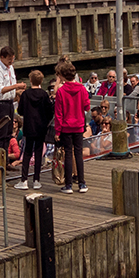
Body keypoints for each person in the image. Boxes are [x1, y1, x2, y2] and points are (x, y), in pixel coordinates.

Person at [54, 61, 90, 194]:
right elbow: (87, 106)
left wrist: (57, 131)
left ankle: (68, 184)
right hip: (79, 125)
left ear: (62, 76)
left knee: (68, 154)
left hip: (66, 126)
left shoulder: (61, 91)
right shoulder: (82, 88)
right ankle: (82, 183)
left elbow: (58, 114)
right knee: (78, 154)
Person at [16, 70, 54, 190]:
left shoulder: (25, 94)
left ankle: (24, 180)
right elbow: (50, 111)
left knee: (27, 152)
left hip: (29, 126)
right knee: (38, 153)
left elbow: (20, 111)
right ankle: (36, 180)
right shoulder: (44, 94)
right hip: (41, 126)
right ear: (41, 81)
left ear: (30, 80)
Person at [0, 46, 26, 152]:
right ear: (2, 57)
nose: (11, 61)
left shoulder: (11, 68)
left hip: (10, 102)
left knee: (8, 134)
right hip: (1, 104)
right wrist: (16, 86)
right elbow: (0, 89)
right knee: (1, 133)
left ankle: (5, 161)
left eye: (12, 58)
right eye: (9, 58)